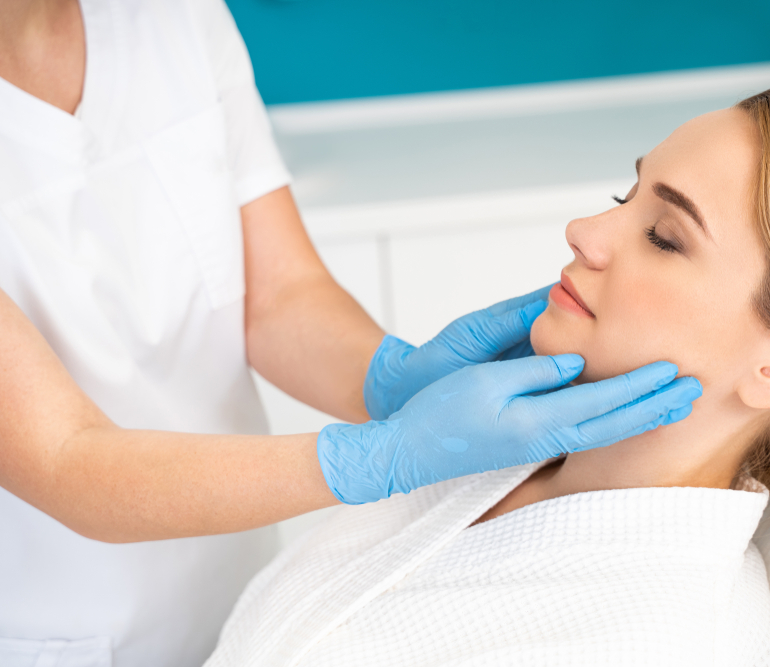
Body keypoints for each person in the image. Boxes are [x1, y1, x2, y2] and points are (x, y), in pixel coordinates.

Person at [0, 1, 698, 666]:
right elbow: (66, 459)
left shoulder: (176, 15)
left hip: (246, 602)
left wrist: (391, 378)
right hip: (60, 632)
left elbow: (278, 297)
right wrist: (379, 454)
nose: (582, 231)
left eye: (666, 237)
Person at [206, 86, 770, 666]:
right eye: (622, 195)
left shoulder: (666, 639)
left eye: (665, 237)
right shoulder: (486, 455)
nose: (585, 231)